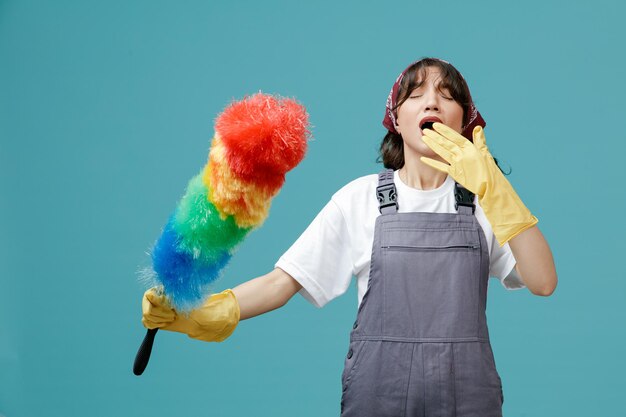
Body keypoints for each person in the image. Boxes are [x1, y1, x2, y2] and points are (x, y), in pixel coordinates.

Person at [142, 57, 558, 416]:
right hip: (378, 396)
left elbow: (543, 281)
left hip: (470, 399)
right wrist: (201, 314)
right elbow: (281, 283)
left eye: (447, 95)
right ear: (395, 119)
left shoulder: (488, 203)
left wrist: (494, 188)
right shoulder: (359, 200)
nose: (432, 101)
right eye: (415, 95)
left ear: (466, 119)